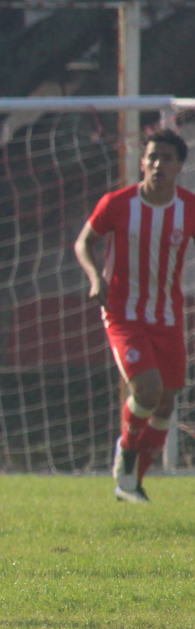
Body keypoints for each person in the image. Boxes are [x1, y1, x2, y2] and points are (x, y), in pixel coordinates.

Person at [73, 128, 195, 503]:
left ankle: (131, 484)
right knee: (148, 389)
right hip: (123, 313)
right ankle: (126, 450)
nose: (157, 164)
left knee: (166, 404)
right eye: (152, 157)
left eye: (166, 159)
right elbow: (84, 242)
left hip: (168, 316)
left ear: (179, 166)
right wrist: (96, 278)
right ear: (142, 162)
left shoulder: (188, 208)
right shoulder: (118, 203)